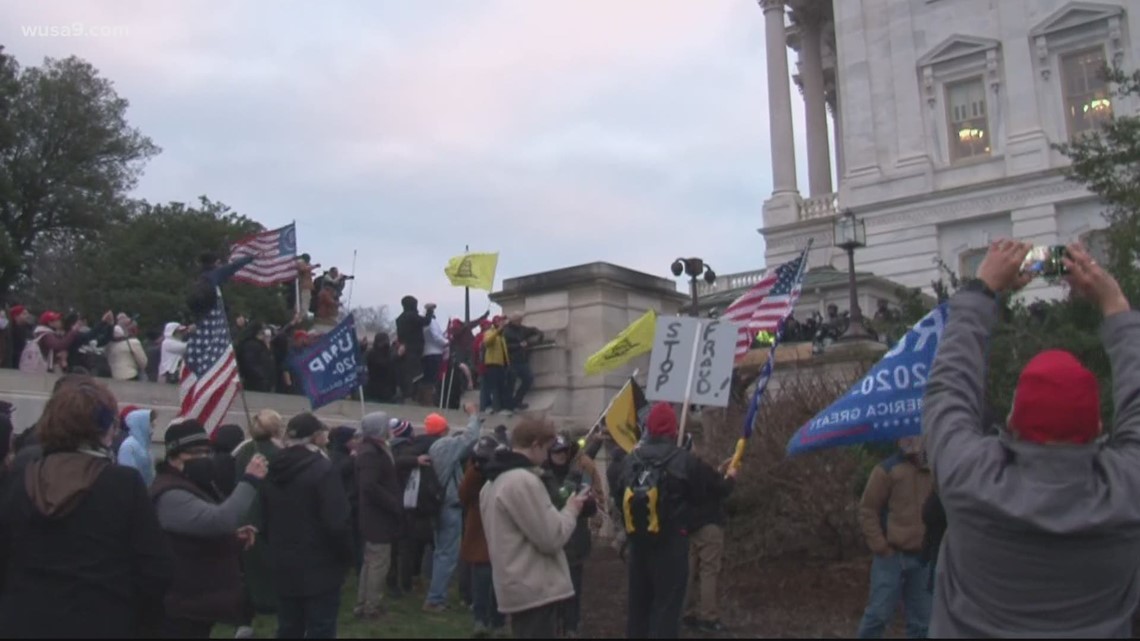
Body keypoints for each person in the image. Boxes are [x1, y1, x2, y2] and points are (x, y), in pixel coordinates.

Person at [923, 240, 1140, 637]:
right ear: (1096, 428)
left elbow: (948, 389)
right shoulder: (1127, 491)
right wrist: (1115, 305)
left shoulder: (971, 479)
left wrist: (981, 292)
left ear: (1012, 422)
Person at [0, 378, 173, 638]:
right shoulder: (123, 484)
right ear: (105, 427)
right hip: (102, 620)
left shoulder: (20, 477)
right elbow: (154, 568)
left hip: (25, 620)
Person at [151, 419, 266, 638]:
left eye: (206, 452)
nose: (203, 459)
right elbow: (218, 520)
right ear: (175, 456)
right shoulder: (171, 493)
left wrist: (232, 538)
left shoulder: (188, 485)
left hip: (195, 604)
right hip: (181, 606)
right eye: (196, 453)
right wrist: (250, 481)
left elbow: (198, 533)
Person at [480, 418, 587, 638]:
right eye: (547, 448)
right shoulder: (523, 481)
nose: (547, 455)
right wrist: (572, 509)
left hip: (516, 584)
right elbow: (552, 537)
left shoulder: (493, 482)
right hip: (534, 589)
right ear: (536, 445)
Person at [616, 402, 708, 639]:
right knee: (666, 610)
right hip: (671, 545)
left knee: (638, 609)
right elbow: (703, 496)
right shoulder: (683, 459)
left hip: (638, 545)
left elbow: (618, 496)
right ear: (673, 429)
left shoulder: (631, 459)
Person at [261, 413, 354, 639]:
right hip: (320, 565)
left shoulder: (273, 467)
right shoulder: (323, 469)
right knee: (320, 628)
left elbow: (264, 515)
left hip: (284, 561)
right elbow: (336, 521)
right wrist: (347, 555)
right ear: (315, 437)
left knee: (288, 628)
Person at [854, 436, 933, 638]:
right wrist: (881, 546)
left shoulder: (934, 469)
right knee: (878, 615)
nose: (911, 442)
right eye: (905, 438)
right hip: (892, 556)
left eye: (916, 437)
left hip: (923, 558)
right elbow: (867, 510)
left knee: (923, 621)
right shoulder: (887, 470)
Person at [423, 404, 484, 612]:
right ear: (444, 429)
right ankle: (435, 599)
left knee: (439, 550)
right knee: (447, 554)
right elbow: (470, 438)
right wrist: (474, 416)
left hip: (437, 504)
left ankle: (435, 591)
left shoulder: (432, 446)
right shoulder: (445, 446)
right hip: (449, 505)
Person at [541, 433, 601, 637]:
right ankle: (552, 626)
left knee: (573, 589)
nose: (560, 455)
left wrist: (586, 504)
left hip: (575, 541)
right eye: (556, 452)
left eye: (563, 451)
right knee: (548, 592)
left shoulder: (578, 475)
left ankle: (571, 627)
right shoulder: (540, 476)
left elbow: (591, 506)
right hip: (549, 542)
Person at [233, 410, 286, 619]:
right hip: (268, 513)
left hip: (244, 510)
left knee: (250, 567)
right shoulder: (277, 453)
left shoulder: (243, 450)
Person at [682, 447, 738, 634]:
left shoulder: (683, 470)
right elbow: (721, 489)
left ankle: (686, 613)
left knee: (688, 571)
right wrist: (731, 476)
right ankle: (709, 617)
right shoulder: (705, 470)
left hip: (690, 526)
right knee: (709, 571)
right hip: (709, 526)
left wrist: (721, 470)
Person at [354, 412, 403, 620]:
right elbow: (369, 485)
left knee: (371, 561)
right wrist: (392, 503)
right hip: (377, 517)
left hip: (376, 515)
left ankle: (363, 603)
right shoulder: (371, 453)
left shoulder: (373, 449)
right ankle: (371, 606)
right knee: (378, 563)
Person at [459, 434, 509, 637]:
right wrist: (477, 470)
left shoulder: (502, 471)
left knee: (500, 583)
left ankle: (498, 621)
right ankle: (480, 620)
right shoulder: (473, 470)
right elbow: (463, 495)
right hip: (479, 532)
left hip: (499, 533)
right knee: (481, 580)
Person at [117, 408, 157, 488]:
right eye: (150, 425)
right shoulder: (128, 446)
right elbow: (127, 476)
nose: (152, 430)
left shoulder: (144, 445)